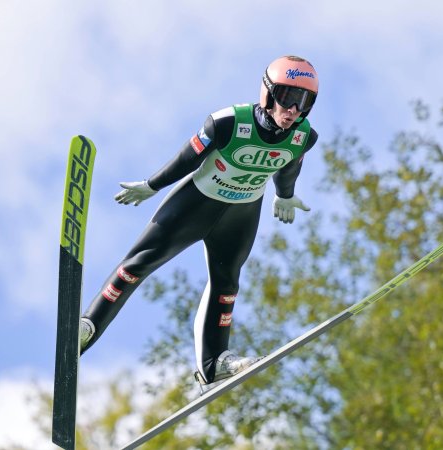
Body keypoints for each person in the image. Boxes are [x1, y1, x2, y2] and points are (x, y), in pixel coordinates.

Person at [78, 55, 320, 392]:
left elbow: (289, 165)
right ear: (267, 92)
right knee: (138, 263)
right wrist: (152, 185)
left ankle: (214, 363)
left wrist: (285, 194)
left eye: (304, 101)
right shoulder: (227, 122)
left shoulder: (303, 136)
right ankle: (88, 325)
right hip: (196, 204)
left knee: (227, 284)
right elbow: (187, 158)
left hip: (241, 215)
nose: (293, 109)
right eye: (287, 97)